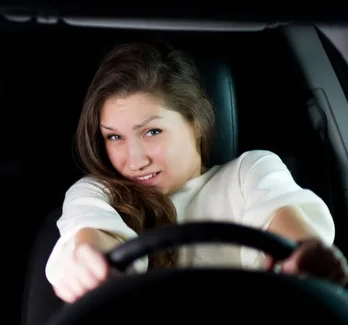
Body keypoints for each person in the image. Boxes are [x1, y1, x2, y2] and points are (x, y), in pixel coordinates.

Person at [45, 40, 348, 304]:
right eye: (114, 137)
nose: (134, 161)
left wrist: (306, 257)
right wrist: (89, 265)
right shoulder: (99, 192)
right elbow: (93, 238)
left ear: (196, 123)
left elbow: (290, 230)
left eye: (152, 132)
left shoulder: (248, 172)